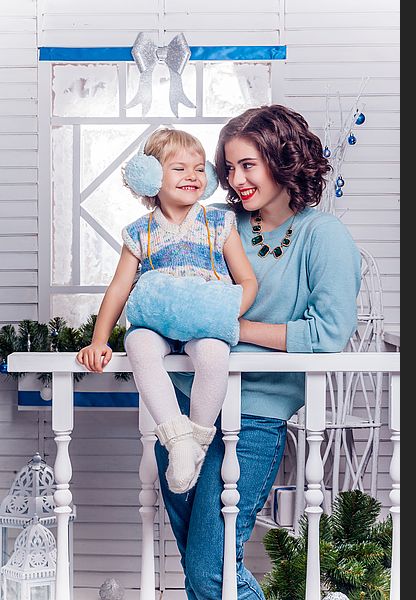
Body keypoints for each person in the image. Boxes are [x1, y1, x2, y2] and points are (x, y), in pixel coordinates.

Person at [156, 105, 362, 600]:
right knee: (203, 569)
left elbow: (330, 333)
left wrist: (233, 325)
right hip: (182, 414)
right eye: (228, 167)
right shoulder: (218, 223)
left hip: (254, 418)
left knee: (210, 574)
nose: (236, 178)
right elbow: (165, 273)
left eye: (248, 164)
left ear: (283, 159)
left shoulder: (322, 236)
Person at [76, 128, 258, 495]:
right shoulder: (139, 233)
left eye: (198, 168)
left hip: (203, 320)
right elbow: (119, 288)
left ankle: (198, 440)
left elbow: (247, 281)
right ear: (151, 177)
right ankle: (178, 440)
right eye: (179, 168)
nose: (192, 176)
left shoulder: (219, 224)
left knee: (213, 352)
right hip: (156, 322)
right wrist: (98, 340)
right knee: (140, 345)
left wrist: (222, 311)